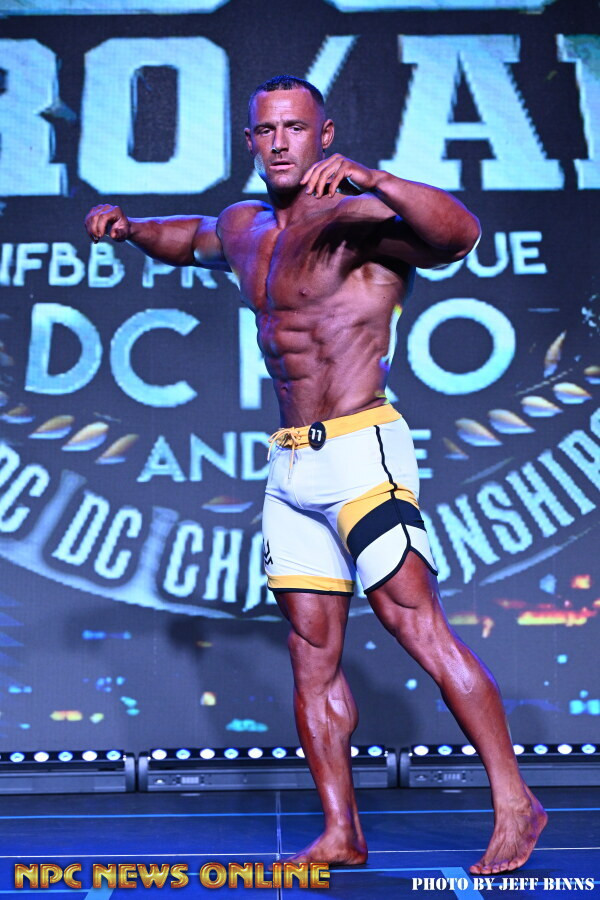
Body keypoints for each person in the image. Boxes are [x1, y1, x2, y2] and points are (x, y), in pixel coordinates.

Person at [84, 74, 547, 875]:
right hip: (290, 465)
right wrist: (128, 230)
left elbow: (459, 236)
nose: (280, 143)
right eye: (266, 131)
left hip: (362, 451)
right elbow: (188, 236)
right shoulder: (245, 227)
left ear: (324, 135)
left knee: (416, 625)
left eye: (295, 128)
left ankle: (516, 803)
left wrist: (378, 178)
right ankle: (342, 831)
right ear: (250, 141)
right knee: (311, 651)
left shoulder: (357, 219)